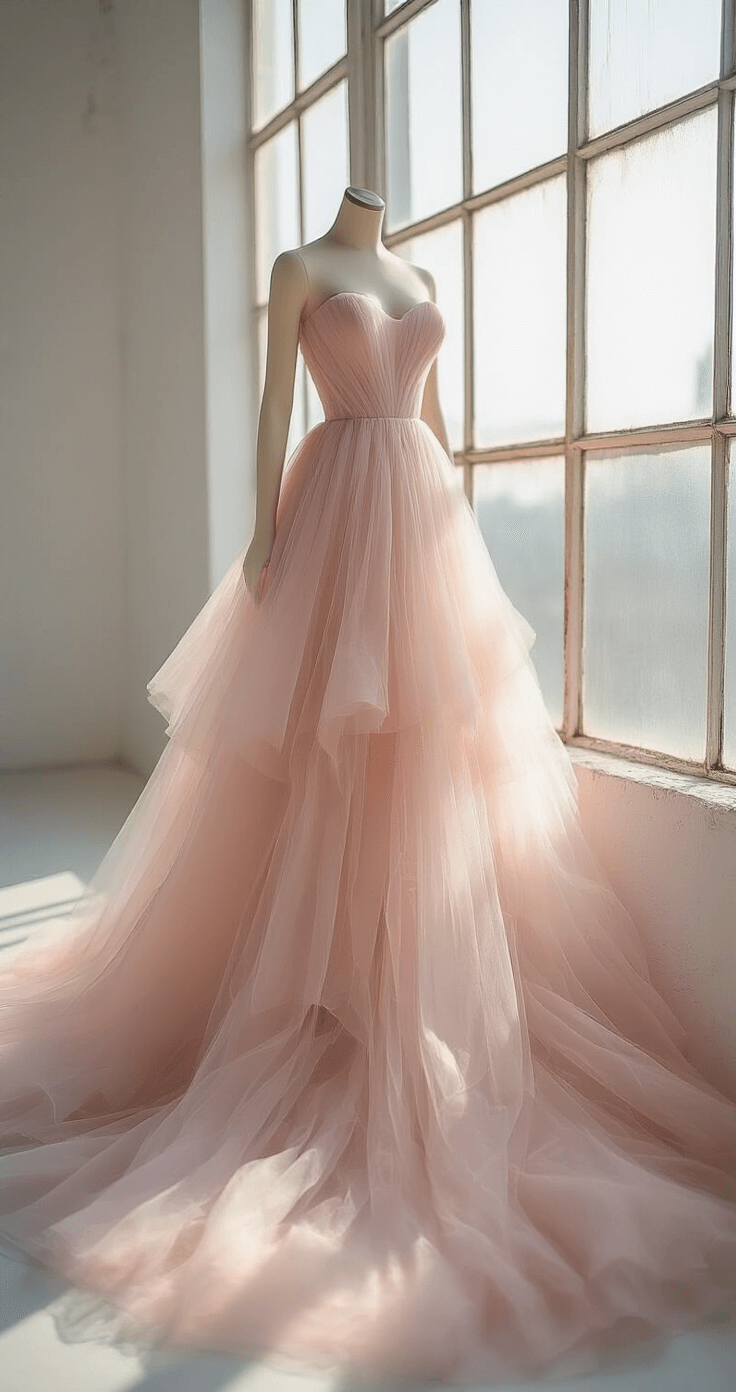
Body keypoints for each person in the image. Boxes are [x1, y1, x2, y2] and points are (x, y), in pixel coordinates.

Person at [1, 186, 735, 1386]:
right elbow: (270, 409)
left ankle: (395, 986)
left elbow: (433, 422)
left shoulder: (423, 280)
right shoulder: (299, 265)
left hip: (420, 524)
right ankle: (310, 991)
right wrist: (260, 535)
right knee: (322, 759)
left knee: (426, 768)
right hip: (333, 510)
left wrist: (460, 539)